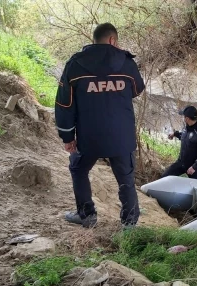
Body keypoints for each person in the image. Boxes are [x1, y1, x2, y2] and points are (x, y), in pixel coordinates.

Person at [54, 23, 145, 228]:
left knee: (78, 169)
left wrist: (67, 136)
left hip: (89, 136)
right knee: (126, 180)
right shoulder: (126, 63)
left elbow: (64, 104)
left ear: (95, 39)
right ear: (113, 40)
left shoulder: (75, 64)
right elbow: (137, 89)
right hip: (121, 136)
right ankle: (129, 225)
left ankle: (87, 216)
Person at [162, 105, 197, 180]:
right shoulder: (187, 127)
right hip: (182, 163)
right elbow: (184, 136)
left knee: (195, 189)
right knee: (164, 177)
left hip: (195, 169)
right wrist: (175, 134)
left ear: (187, 118)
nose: (183, 118)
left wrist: (194, 167)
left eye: (183, 116)